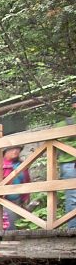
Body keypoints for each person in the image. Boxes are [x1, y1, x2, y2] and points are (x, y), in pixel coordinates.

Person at [1, 146, 31, 230]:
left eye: (18, 149)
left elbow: (26, 181)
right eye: (12, 148)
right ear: (5, 150)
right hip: (3, 201)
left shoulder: (21, 165)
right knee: (8, 225)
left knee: (17, 223)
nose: (15, 151)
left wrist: (26, 198)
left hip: (17, 200)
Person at [58, 94, 76, 229]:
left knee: (73, 199)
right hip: (70, 164)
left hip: (69, 163)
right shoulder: (67, 123)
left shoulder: (67, 123)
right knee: (73, 198)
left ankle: (73, 229)